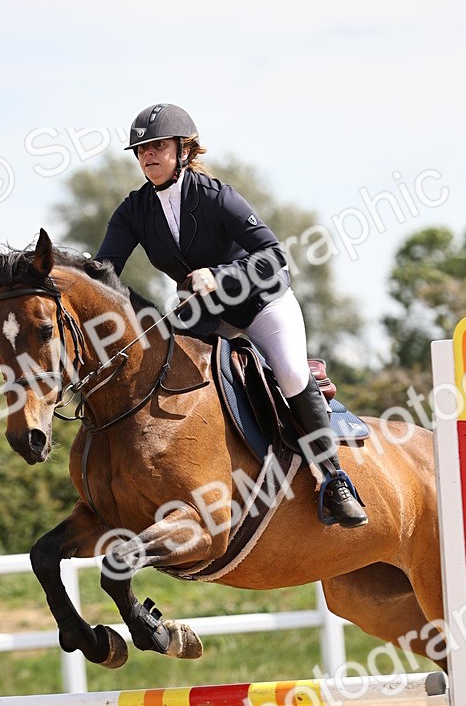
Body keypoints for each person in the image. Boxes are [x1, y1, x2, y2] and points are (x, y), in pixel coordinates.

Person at [94, 103, 367, 529]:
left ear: (184, 150)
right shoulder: (134, 210)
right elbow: (104, 273)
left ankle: (335, 479)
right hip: (203, 314)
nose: (148, 155)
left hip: (261, 302)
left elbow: (274, 257)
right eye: (142, 149)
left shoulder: (216, 196)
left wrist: (220, 275)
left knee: (291, 373)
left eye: (158, 146)